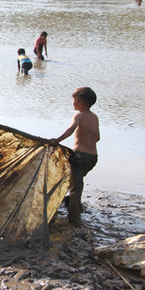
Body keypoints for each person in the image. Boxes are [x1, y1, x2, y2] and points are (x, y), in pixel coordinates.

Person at [48, 87, 100, 227]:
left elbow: (70, 130)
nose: (72, 102)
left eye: (74, 100)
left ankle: (75, 221)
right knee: (75, 181)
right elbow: (97, 138)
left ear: (81, 104)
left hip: (79, 157)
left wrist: (57, 140)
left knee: (76, 189)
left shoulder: (79, 116)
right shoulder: (94, 117)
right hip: (93, 158)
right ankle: (68, 202)